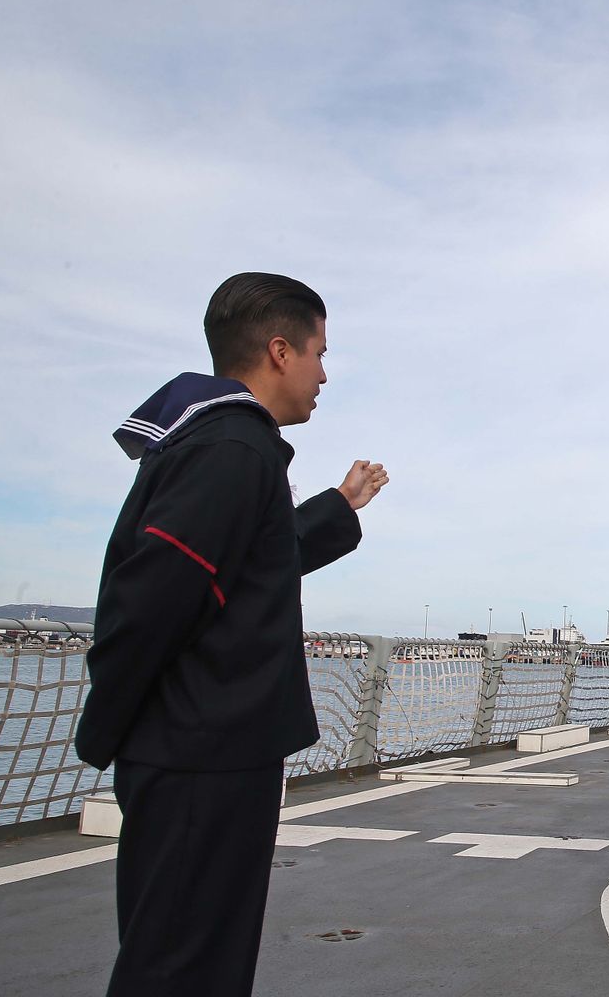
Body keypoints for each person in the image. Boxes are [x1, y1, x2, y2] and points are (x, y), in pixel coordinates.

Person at [75, 272, 388, 997]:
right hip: (200, 753)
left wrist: (337, 508)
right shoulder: (232, 451)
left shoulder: (228, 448)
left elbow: (244, 566)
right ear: (279, 351)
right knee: (184, 965)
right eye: (317, 353)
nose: (323, 373)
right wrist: (110, 726)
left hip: (201, 749)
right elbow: (151, 603)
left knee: (191, 956)